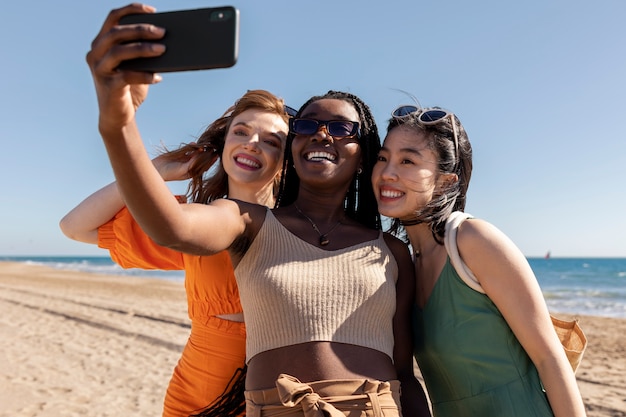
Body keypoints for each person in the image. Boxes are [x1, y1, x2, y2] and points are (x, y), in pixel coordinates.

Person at [84, 5, 431, 415]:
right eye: (307, 125)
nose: (322, 132)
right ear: (294, 148)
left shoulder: (391, 250)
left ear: (363, 154)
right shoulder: (246, 221)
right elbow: (171, 227)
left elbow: (404, 374)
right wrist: (119, 122)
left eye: (340, 128)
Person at [60, 88, 292, 416]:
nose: (251, 142)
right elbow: (75, 226)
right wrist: (158, 170)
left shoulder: (301, 230)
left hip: (275, 401)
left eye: (271, 141)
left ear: (285, 160)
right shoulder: (190, 224)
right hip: (194, 398)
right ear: (224, 145)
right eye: (240, 132)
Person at [371, 103, 587, 416]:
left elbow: (549, 358)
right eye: (383, 158)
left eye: (407, 161)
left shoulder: (472, 240)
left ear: (446, 181)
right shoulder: (406, 264)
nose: (388, 173)